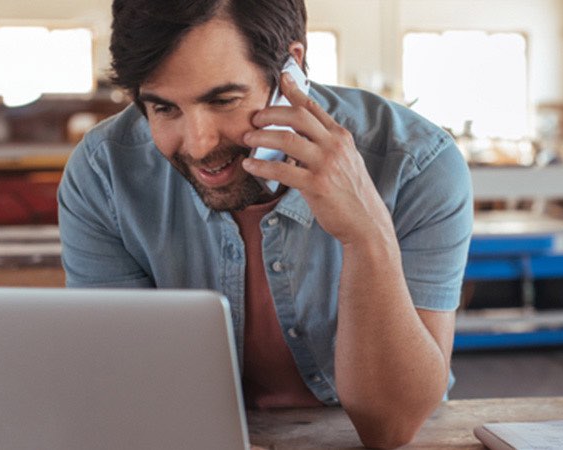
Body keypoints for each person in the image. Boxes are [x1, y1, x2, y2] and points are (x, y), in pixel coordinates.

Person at [57, 0, 473, 447]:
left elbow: (391, 426)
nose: (198, 145)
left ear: (290, 70)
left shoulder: (416, 164)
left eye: (223, 101)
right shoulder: (105, 174)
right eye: (163, 109)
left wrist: (366, 236)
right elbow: (126, 395)